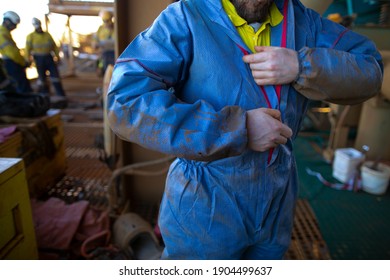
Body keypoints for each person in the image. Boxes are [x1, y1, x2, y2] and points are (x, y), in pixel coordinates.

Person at [106, 0, 383, 260]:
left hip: (277, 201)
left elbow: (370, 68)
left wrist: (302, 66)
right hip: (205, 206)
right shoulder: (186, 17)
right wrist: (238, 128)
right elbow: (125, 102)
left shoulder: (304, 25)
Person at [25, 17, 66, 97]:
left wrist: (58, 57)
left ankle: (60, 93)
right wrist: (27, 60)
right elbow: (27, 50)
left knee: (55, 76)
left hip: (49, 57)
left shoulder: (47, 35)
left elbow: (54, 47)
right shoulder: (31, 36)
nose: (39, 28)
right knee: (42, 78)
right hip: (38, 59)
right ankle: (45, 94)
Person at [0, 11, 33, 93]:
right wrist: (23, 62)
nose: (14, 27)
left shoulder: (5, 33)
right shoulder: (2, 34)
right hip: (12, 64)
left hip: (11, 63)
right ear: (7, 21)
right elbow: (12, 53)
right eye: (14, 25)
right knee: (22, 89)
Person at [92, 10, 115, 77]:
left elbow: (115, 41)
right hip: (103, 53)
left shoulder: (116, 28)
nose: (107, 23)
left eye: (108, 20)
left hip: (114, 53)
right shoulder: (101, 28)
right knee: (104, 70)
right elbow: (95, 39)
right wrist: (95, 44)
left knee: (113, 71)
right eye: (105, 21)